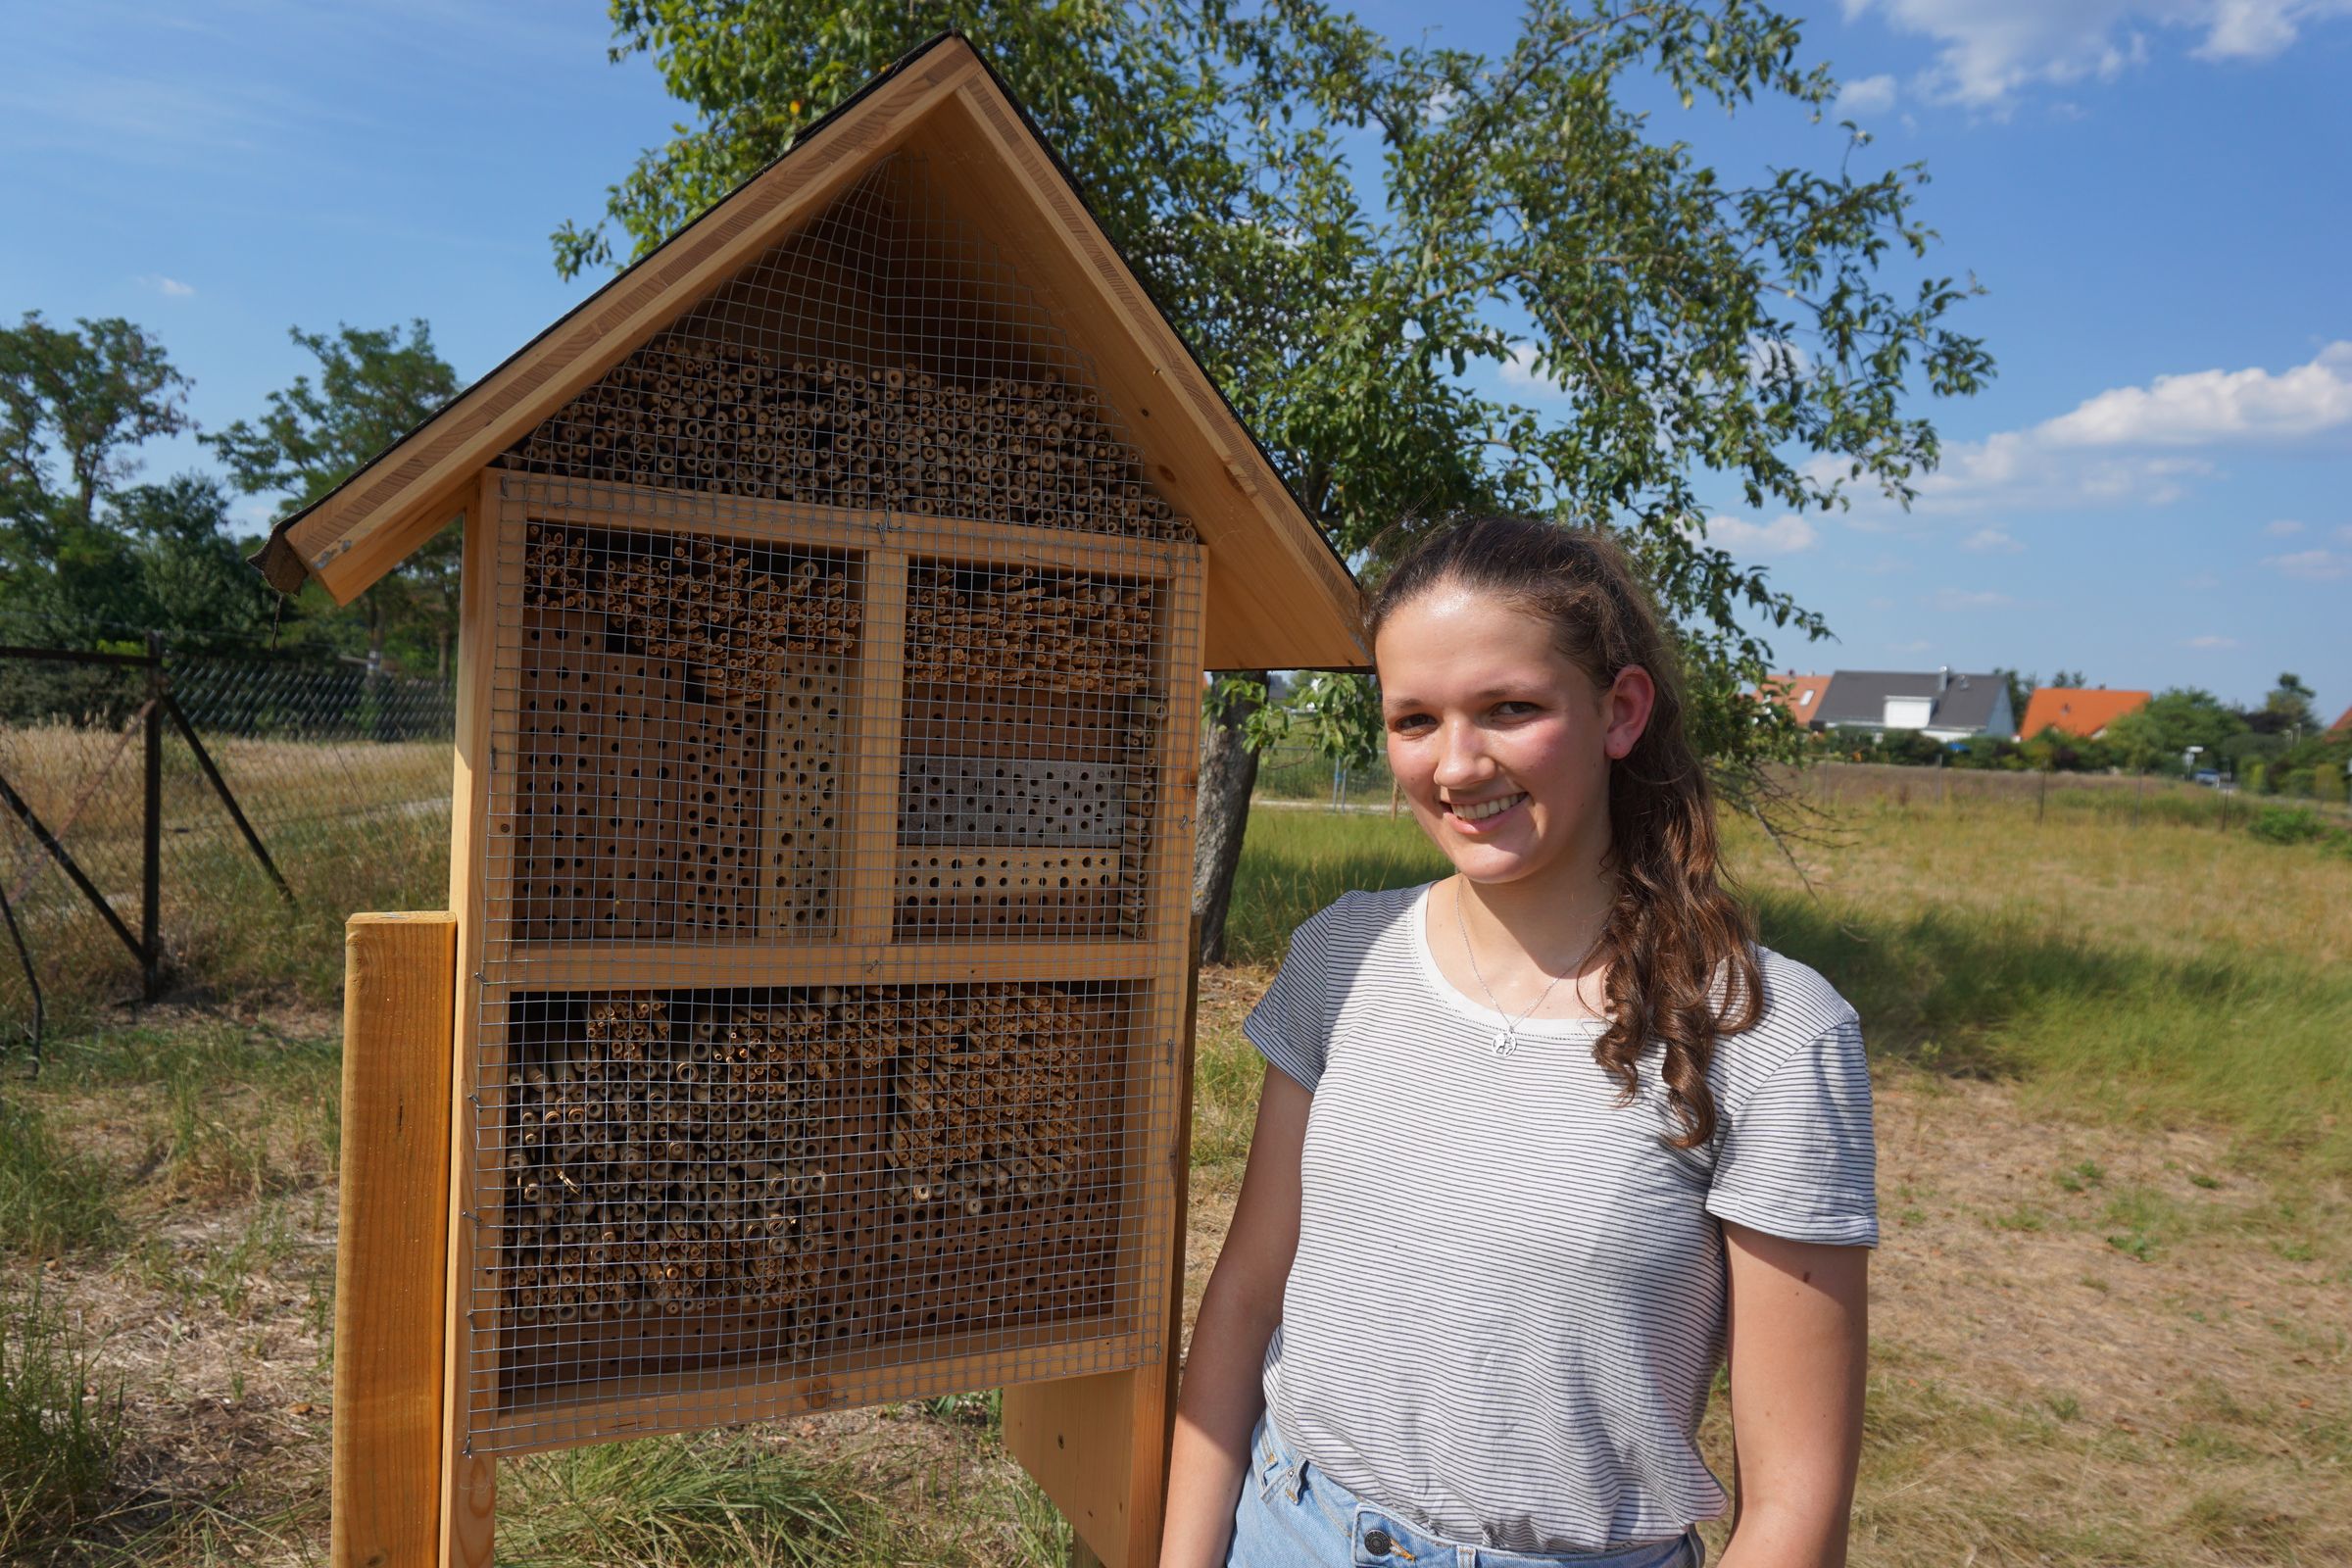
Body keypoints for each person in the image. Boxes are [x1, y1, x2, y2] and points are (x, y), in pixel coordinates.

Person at [1159, 516, 1877, 1568]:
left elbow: (1796, 1509)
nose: (1456, 763)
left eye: (1509, 709)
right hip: (1288, 1531)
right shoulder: (1339, 956)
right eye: (1413, 718)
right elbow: (1243, 1303)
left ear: (1619, 711)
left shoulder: (1769, 1033)